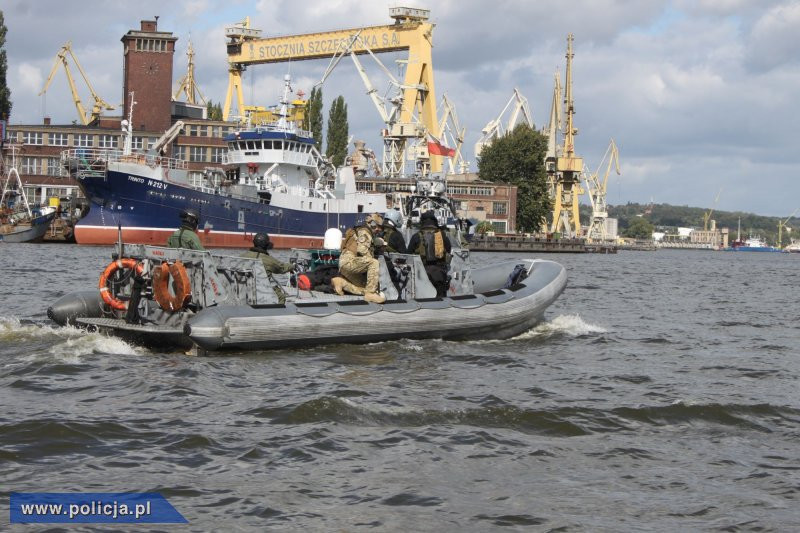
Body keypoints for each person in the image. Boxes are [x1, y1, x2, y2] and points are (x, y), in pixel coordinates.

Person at [331, 213, 386, 303]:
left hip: (346, 264)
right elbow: (362, 250)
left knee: (365, 286)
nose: (378, 230)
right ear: (372, 224)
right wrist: (370, 263)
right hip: (349, 262)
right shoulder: (365, 232)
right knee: (374, 263)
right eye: (378, 226)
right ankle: (370, 294)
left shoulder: (362, 231)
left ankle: (341, 282)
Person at [408, 210, 452, 297]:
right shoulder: (442, 235)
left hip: (421, 273)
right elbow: (449, 249)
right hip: (439, 273)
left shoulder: (416, 236)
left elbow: (408, 254)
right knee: (441, 298)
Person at [241, 233, 292, 304]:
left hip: (243, 290)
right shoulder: (268, 260)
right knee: (280, 296)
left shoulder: (242, 256)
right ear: (266, 245)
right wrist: (293, 266)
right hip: (261, 291)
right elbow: (282, 268)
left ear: (254, 242)